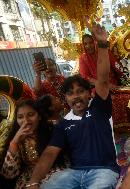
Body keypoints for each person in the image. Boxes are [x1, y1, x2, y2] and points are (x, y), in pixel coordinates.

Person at [27, 24, 119, 189]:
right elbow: (49, 153)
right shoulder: (63, 124)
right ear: (66, 98)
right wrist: (33, 182)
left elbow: (103, 79)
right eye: (70, 93)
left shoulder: (99, 108)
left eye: (80, 91)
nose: (75, 96)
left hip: (104, 171)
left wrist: (103, 45)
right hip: (74, 173)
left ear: (89, 93)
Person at [0, 99, 65, 189]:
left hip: (57, 175)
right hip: (27, 181)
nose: (26, 121)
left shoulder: (53, 130)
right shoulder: (16, 139)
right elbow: (9, 174)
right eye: (20, 117)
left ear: (39, 116)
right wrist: (14, 143)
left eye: (30, 115)